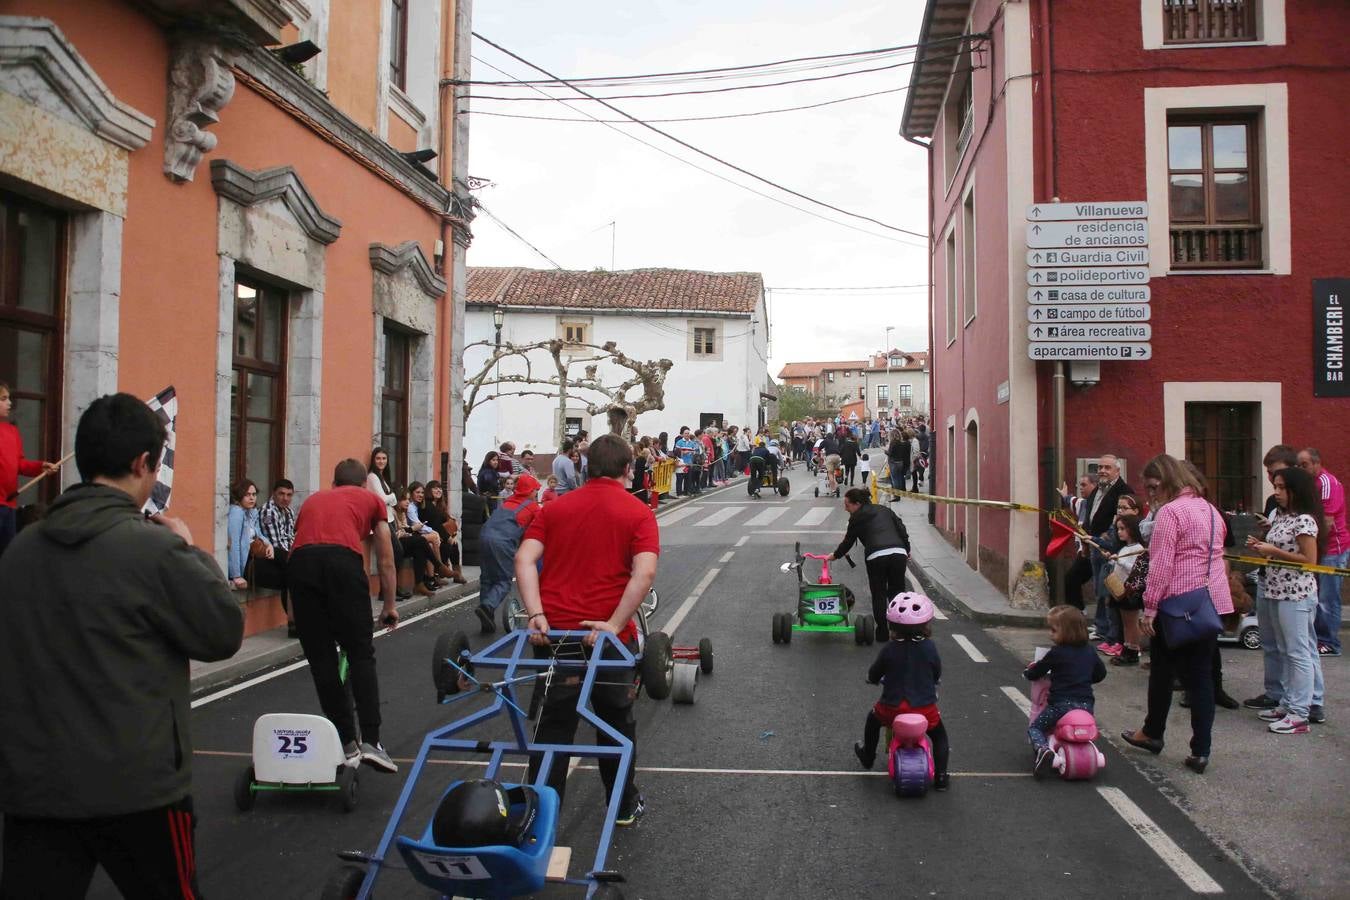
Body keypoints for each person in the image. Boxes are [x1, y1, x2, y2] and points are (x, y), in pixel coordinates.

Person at [0, 392, 242, 898]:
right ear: (142, 463)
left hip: (36, 787)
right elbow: (221, 631)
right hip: (141, 789)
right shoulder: (154, 550)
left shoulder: (20, 552)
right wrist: (187, 547)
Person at [517, 435, 658, 824]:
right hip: (607, 639)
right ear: (628, 470)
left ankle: (540, 817)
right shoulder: (638, 512)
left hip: (556, 636)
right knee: (615, 722)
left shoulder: (555, 508)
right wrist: (613, 624)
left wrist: (535, 613)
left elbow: (523, 560)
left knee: (554, 725)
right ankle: (623, 805)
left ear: (585, 466)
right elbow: (644, 573)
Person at [1121, 454, 1233, 775]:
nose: (1152, 495)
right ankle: (1201, 750)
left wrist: (1150, 607)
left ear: (1169, 480)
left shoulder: (1171, 513)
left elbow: (1161, 564)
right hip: (1209, 602)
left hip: (1177, 603)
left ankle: (1153, 732)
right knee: (1200, 678)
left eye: (1154, 487)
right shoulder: (1211, 510)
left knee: (1161, 671)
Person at [289, 458, 400, 773]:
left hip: (301, 567)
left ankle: (347, 742)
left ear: (334, 483)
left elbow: (301, 548)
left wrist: (296, 615)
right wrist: (389, 606)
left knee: (322, 662)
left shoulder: (312, 501)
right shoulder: (372, 500)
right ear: (364, 484)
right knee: (360, 654)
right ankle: (373, 743)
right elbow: (386, 558)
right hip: (342, 564)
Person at [1245, 465, 1328, 733]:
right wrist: (1261, 549)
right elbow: (1277, 551)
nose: (1277, 492)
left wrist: (1273, 551)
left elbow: (1309, 560)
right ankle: (1288, 701)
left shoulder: (1304, 519)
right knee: (1283, 649)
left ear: (1296, 490)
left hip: (1296, 594)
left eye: (1282, 488)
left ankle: (1301, 712)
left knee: (1297, 652)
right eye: (1275, 487)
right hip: (1275, 589)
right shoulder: (1282, 517)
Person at [852, 592, 950, 791]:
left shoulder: (889, 649)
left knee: (872, 721)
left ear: (892, 626)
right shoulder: (929, 647)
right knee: (940, 736)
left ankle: (868, 755)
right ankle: (941, 776)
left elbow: (875, 672)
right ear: (926, 625)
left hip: (891, 709)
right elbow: (936, 671)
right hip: (924, 710)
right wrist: (934, 680)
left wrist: (871, 679)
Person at [1244, 445, 1301, 711]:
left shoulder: (1303, 504)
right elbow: (1276, 537)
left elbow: (1309, 553)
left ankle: (1301, 703)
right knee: (1270, 641)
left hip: (1294, 587)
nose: (1273, 483)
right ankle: (1275, 692)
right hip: (1270, 577)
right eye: (1269, 474)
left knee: (1296, 648)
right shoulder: (1273, 503)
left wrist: (1273, 545)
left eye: (1277, 475)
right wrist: (1264, 537)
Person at [1024, 606, 1107, 776]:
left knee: (1035, 728)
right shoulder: (1090, 651)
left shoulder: (1056, 653)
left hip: (1060, 705)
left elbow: (1037, 671)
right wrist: (1084, 678)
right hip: (1085, 706)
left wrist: (1028, 672)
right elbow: (1100, 674)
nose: (1050, 634)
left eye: (1053, 630)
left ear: (1067, 632)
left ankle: (1042, 749)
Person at [831, 487, 911, 639]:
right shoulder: (885, 510)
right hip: (898, 553)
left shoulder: (856, 518)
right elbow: (901, 529)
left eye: (847, 505)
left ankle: (882, 632)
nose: (845, 508)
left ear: (857, 504)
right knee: (897, 593)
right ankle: (899, 630)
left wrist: (835, 556)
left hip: (876, 555)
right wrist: (907, 549)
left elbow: (848, 541)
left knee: (879, 593)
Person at [475, 472, 542, 633]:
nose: (536, 493)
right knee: (503, 581)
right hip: (503, 542)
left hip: (484, 536)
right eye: (535, 490)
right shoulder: (533, 507)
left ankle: (487, 616)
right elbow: (536, 532)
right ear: (530, 491)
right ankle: (488, 606)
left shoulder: (507, 502)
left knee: (486, 578)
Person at [1298, 448, 1348, 657]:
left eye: (1305, 465)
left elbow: (1326, 521)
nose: (1301, 469)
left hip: (1332, 549)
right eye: (1299, 465)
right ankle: (1319, 639)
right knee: (1317, 595)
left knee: (1328, 598)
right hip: (1319, 549)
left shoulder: (1326, 484)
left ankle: (1330, 642)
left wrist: (1312, 546)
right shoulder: (1310, 484)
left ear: (1317, 463)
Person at [0, 381, 58, 557]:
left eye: (9, 398)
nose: (10, 403)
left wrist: (40, 467)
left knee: (7, 554)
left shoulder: (11, 431)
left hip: (8, 505)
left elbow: (20, 464)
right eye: (3, 399)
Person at [367, 446, 410, 601]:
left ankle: (392, 589)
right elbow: (383, 499)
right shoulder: (372, 477)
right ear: (373, 460)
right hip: (381, 520)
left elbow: (388, 499)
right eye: (378, 458)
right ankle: (386, 592)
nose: (381, 461)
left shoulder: (382, 476)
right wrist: (392, 496)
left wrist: (390, 497)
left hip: (389, 519)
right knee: (394, 554)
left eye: (384, 458)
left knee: (393, 555)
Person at [257, 477, 298, 637]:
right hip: (269, 556)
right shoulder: (269, 511)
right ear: (274, 493)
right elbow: (276, 545)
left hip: (284, 554)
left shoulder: (288, 512)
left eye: (289, 495)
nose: (285, 498)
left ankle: (297, 622)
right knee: (293, 574)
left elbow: (291, 538)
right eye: (281, 494)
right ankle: (293, 623)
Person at [1107, 514, 1146, 666]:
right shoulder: (1124, 548)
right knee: (1125, 622)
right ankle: (1127, 646)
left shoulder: (1138, 549)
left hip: (1130, 591)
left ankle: (1133, 650)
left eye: (1123, 529)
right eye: (1118, 529)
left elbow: (1136, 570)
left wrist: (1120, 561)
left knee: (1132, 622)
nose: (1119, 532)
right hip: (1120, 589)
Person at [393, 486, 441, 596]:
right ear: (397, 500)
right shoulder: (392, 512)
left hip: (405, 541)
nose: (407, 502)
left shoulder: (403, 512)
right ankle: (438, 567)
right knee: (421, 541)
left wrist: (409, 530)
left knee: (420, 548)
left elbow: (406, 530)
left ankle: (419, 584)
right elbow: (396, 533)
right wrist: (411, 530)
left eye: (408, 500)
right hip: (395, 543)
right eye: (404, 499)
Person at [419, 480, 467, 584]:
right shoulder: (427, 505)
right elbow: (436, 525)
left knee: (454, 545)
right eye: (435, 488)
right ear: (429, 490)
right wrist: (448, 537)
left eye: (440, 488)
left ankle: (457, 574)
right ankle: (438, 574)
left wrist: (452, 534)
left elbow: (446, 521)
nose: (438, 490)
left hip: (439, 535)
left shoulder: (439, 506)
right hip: (429, 535)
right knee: (447, 546)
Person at [227, 477, 269, 590]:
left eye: (254, 494)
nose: (252, 498)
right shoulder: (236, 513)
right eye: (247, 495)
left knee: (285, 561)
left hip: (254, 557)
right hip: (245, 564)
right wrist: (236, 575)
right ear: (239, 496)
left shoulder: (251, 512)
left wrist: (268, 545)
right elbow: (233, 544)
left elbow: (258, 533)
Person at [886, 429, 910, 501]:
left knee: (895, 480)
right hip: (900, 462)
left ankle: (897, 496)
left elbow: (890, 454)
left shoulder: (893, 443)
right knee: (899, 478)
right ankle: (899, 493)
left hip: (894, 463)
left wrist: (885, 451)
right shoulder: (901, 442)